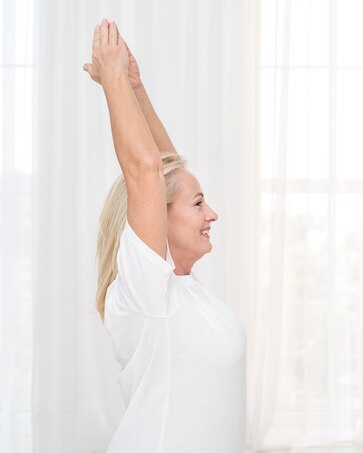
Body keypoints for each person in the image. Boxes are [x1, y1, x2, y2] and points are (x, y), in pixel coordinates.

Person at [84, 18, 246, 453]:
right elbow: (147, 171)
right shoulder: (147, 295)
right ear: (157, 213)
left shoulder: (180, 289)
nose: (212, 213)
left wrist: (136, 89)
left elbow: (167, 170)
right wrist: (112, 79)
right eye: (199, 205)